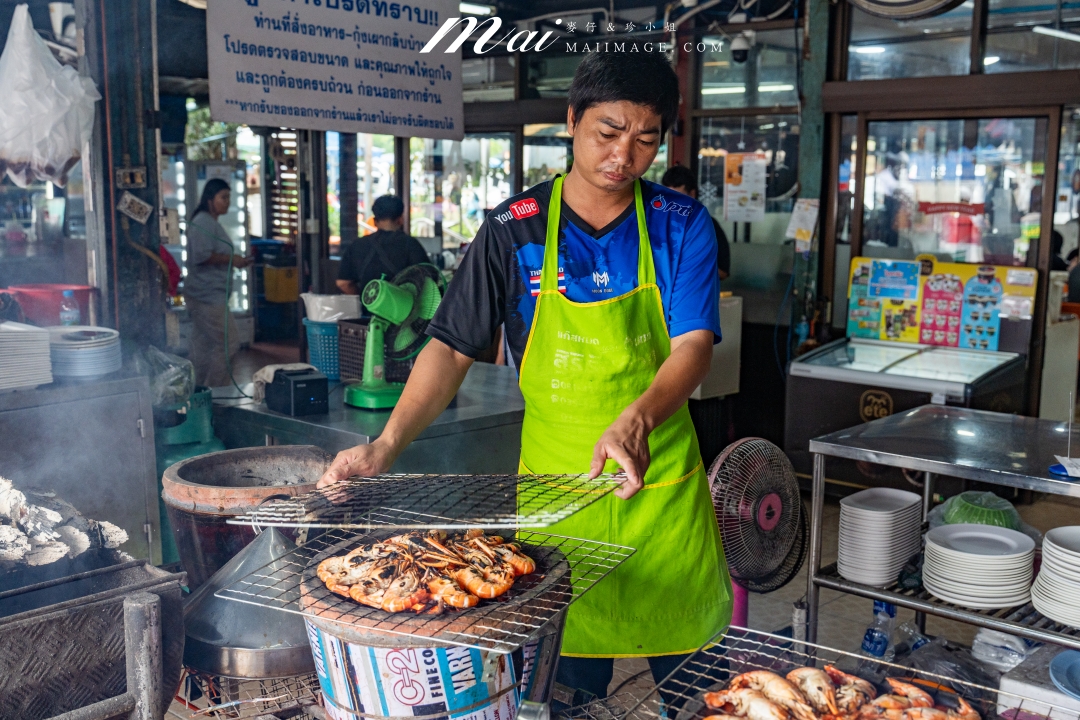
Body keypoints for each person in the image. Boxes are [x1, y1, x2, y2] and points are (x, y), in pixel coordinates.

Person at [318, 52, 732, 703]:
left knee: (706, 699)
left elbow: (694, 347)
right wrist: (385, 445)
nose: (623, 155)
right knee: (562, 698)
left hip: (661, 498)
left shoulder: (681, 225)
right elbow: (450, 349)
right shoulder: (514, 230)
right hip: (558, 503)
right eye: (608, 131)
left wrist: (638, 416)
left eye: (645, 139)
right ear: (571, 121)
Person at [184, 178, 252, 388]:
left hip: (207, 294)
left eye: (229, 197)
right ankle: (217, 391)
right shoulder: (203, 222)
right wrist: (232, 260)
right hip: (207, 297)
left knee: (202, 347)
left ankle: (194, 390)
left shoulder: (210, 222)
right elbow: (202, 256)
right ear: (209, 199)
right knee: (229, 343)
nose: (227, 202)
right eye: (223, 197)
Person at [336, 195, 429, 295]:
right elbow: (427, 282)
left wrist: (366, 298)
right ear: (400, 219)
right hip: (404, 304)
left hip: (368, 304)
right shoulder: (411, 244)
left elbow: (343, 283)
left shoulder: (357, 245)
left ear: (374, 221)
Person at [661, 164, 730, 280]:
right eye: (667, 197)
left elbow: (723, 271)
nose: (671, 204)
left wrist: (686, 269)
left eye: (677, 198)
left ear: (692, 194)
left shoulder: (707, 225)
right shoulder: (657, 224)